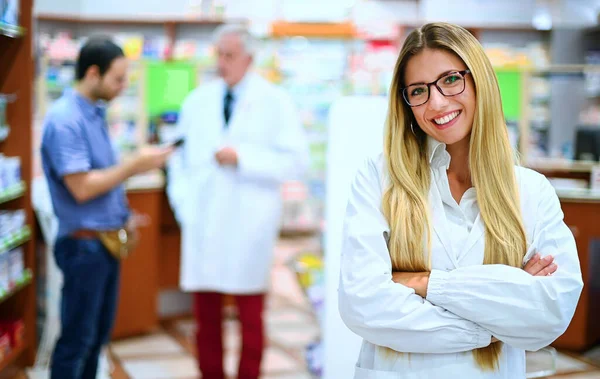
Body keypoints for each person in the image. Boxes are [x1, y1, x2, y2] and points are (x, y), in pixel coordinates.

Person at [338, 22, 583, 379]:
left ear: (478, 78)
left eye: (451, 79)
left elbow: (551, 312)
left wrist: (422, 283)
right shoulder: (380, 178)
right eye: (419, 90)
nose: (437, 102)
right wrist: (496, 321)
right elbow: (362, 304)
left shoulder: (531, 191)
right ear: (406, 103)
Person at [167, 24, 309, 379]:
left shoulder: (275, 100)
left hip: (250, 223)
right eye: (219, 54)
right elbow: (177, 159)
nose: (222, 62)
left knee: (250, 315)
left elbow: (296, 162)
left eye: (229, 55)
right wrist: (184, 205)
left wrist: (243, 158)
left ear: (249, 58)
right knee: (206, 315)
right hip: (203, 221)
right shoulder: (197, 100)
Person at [41, 37, 173, 379]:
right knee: (77, 340)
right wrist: (134, 164)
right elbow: (81, 187)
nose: (123, 86)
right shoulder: (65, 120)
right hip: (84, 247)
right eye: (117, 78)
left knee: (95, 339)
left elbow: (103, 176)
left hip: (104, 244)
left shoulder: (94, 114)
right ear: (93, 73)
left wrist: (122, 214)